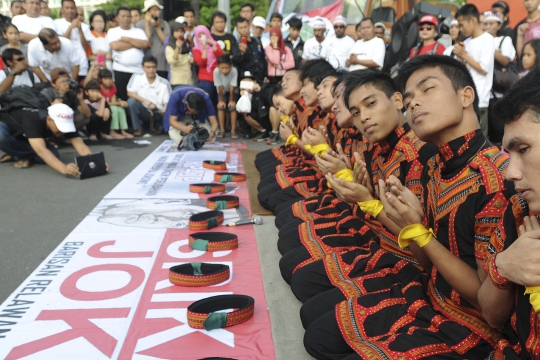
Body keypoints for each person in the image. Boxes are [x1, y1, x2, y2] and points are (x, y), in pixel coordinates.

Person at [304, 54, 514, 360]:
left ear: (466, 95)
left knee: (318, 329)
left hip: (472, 326)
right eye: (411, 97)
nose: (414, 103)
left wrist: (381, 211)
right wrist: (410, 225)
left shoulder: (494, 178)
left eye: (427, 89)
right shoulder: (435, 164)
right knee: (316, 328)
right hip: (430, 295)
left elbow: (487, 303)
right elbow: (425, 262)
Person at [476, 65, 540, 359]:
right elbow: (491, 315)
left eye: (523, 149)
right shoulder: (520, 210)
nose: (510, 172)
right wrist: (503, 267)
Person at [0, 99, 101, 176]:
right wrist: (64, 168)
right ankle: (21, 153)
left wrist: (96, 163)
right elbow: (41, 150)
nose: (62, 131)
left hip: (27, 133)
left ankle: (16, 154)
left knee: (53, 155)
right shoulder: (34, 119)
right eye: (59, 127)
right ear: (49, 119)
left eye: (65, 127)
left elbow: (80, 145)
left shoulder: (65, 117)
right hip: (7, 127)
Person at [454, 4, 495, 139]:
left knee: (480, 140)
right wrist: (461, 58)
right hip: (465, 99)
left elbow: (483, 68)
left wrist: (464, 55)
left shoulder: (487, 39)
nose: (460, 29)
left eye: (461, 24)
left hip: (480, 99)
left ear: (473, 20)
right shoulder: (467, 42)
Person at [484, 9, 516, 143]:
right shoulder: (480, 41)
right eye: (486, 24)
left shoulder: (504, 40)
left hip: (499, 93)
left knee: (500, 130)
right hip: (485, 93)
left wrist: (490, 46)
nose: (488, 27)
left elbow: (505, 61)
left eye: (492, 23)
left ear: (499, 25)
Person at [107, 6, 149, 104]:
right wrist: (135, 43)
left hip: (137, 71)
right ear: (117, 18)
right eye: (123, 16)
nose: (126, 19)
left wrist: (128, 39)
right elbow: (115, 46)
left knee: (138, 97)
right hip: (120, 70)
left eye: (128, 16)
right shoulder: (113, 31)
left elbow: (145, 44)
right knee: (123, 98)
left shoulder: (138, 31)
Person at [127, 54, 171, 136]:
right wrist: (147, 102)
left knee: (164, 129)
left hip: (158, 113)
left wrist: (161, 112)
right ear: (143, 67)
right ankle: (137, 128)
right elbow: (130, 93)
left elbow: (167, 103)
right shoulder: (136, 76)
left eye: (153, 67)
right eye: (148, 67)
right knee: (131, 102)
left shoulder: (164, 83)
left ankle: (157, 125)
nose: (151, 70)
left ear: (156, 67)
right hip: (143, 110)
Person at [54, 0, 90, 82]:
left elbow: (86, 47)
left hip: (82, 64)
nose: (70, 10)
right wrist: (70, 28)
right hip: (64, 65)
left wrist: (80, 30)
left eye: (72, 8)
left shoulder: (85, 26)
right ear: (62, 9)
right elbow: (60, 44)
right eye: (67, 8)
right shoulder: (57, 23)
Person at [136, 0, 170, 79]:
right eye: (154, 10)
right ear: (148, 12)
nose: (157, 12)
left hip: (162, 64)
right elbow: (147, 42)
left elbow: (166, 41)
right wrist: (147, 24)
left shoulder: (164, 23)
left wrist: (157, 27)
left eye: (158, 10)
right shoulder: (140, 25)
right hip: (147, 64)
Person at [192, 25, 222, 106]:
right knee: (206, 103)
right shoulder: (196, 49)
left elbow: (221, 57)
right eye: (199, 36)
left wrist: (211, 45)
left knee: (218, 103)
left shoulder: (215, 44)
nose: (201, 38)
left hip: (219, 78)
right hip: (205, 80)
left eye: (203, 35)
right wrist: (205, 49)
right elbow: (201, 63)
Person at [98, 68, 132, 139]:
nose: (108, 81)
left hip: (110, 105)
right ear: (100, 80)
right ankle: (112, 131)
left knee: (120, 109)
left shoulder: (112, 88)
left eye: (110, 79)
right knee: (114, 109)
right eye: (105, 79)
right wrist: (119, 103)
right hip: (100, 106)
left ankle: (123, 130)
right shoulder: (98, 88)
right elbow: (104, 103)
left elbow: (113, 102)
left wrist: (119, 104)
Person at [232, 17, 266, 84]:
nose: (244, 30)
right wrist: (241, 53)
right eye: (241, 28)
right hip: (246, 77)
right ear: (237, 29)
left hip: (260, 76)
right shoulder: (236, 44)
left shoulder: (257, 41)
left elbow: (262, 59)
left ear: (249, 26)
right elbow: (235, 61)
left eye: (245, 27)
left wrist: (266, 74)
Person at [213, 55, 238, 139]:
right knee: (221, 107)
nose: (224, 70)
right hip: (221, 91)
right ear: (218, 67)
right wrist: (221, 101)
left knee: (232, 108)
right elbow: (219, 86)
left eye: (226, 68)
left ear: (230, 67)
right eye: (222, 68)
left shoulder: (234, 71)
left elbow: (232, 86)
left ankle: (233, 131)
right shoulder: (216, 71)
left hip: (232, 90)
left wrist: (231, 100)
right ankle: (222, 130)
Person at [165, 22, 192, 88]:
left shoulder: (186, 44)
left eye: (181, 31)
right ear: (172, 32)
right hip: (176, 80)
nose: (179, 33)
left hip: (188, 80)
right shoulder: (169, 46)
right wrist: (177, 47)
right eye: (177, 31)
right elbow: (172, 61)